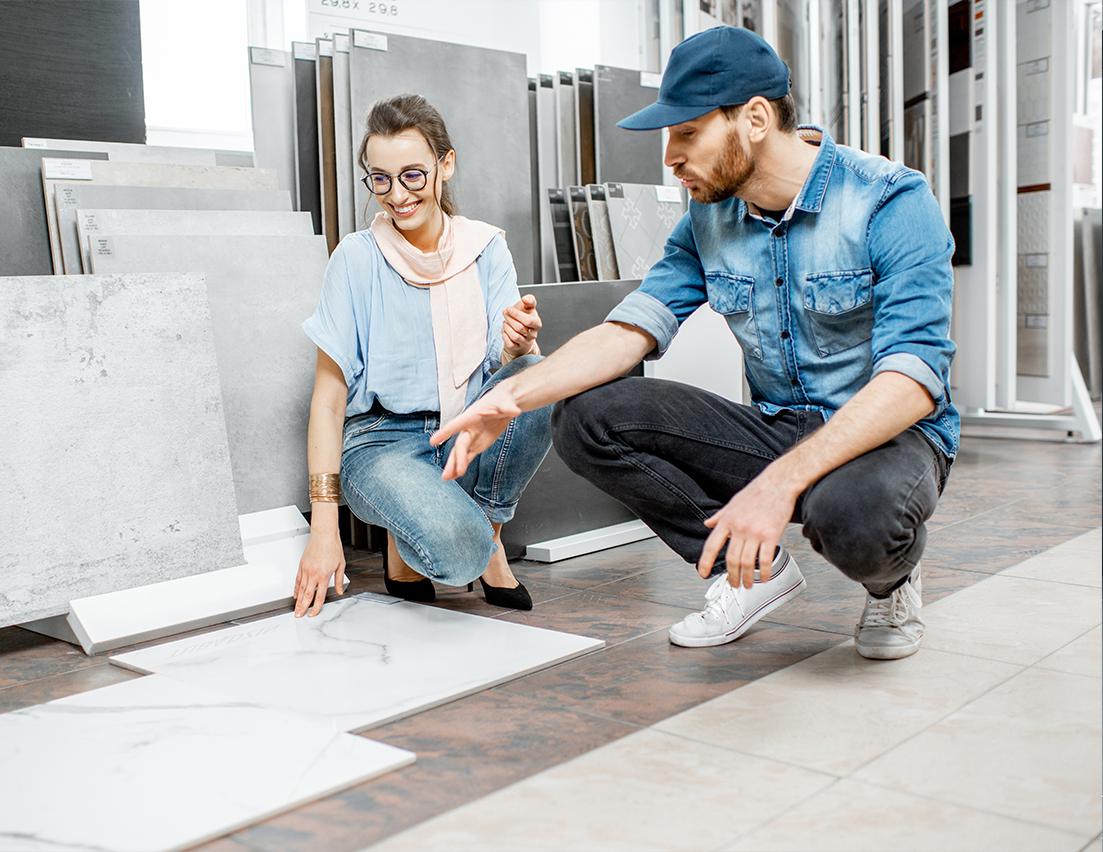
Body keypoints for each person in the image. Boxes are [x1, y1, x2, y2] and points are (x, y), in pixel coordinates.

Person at [432, 26, 958, 660]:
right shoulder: (709, 218)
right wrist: (513, 395)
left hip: (888, 439)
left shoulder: (890, 202)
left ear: (756, 118)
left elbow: (914, 377)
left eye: (687, 133)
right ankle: (751, 574)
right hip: (779, 425)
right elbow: (629, 332)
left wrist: (779, 484)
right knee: (586, 416)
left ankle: (892, 581)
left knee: (851, 519)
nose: (669, 157)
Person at [293, 94, 553, 618]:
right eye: (381, 178)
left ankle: (488, 532)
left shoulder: (485, 248)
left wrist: (519, 345)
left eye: (413, 175)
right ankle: (459, 539)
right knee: (457, 557)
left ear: (445, 164)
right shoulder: (356, 259)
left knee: (538, 374)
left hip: (466, 428)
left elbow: (509, 376)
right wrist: (323, 528)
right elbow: (327, 401)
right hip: (384, 442)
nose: (397, 195)